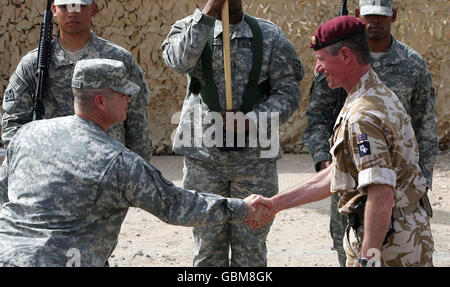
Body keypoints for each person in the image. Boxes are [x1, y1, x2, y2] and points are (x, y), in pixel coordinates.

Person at [0, 59, 274, 267]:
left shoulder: (28, 133)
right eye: (123, 94)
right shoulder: (116, 161)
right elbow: (176, 205)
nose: (129, 99)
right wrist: (241, 208)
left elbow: (3, 192)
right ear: (100, 101)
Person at [252, 16, 434, 267]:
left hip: (391, 248)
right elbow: (340, 173)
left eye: (321, 59)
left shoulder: (363, 116)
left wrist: (368, 259)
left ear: (346, 56)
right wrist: (275, 204)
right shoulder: (373, 94)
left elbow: (380, 194)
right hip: (397, 237)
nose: (317, 68)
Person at [161, 0, 304, 266]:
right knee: (207, 249)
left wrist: (251, 120)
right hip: (204, 160)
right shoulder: (187, 29)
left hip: (255, 162)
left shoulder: (268, 35)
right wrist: (206, 16)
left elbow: (289, 92)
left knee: (251, 248)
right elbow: (179, 61)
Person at [302, 0, 438, 266]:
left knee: (372, 255)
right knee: (351, 250)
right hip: (349, 184)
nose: (375, 22)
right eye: (369, 17)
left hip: (395, 196)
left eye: (381, 17)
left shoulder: (412, 64)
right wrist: (326, 162)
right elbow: (317, 119)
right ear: (357, 16)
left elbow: (425, 129)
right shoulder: (331, 64)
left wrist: (418, 184)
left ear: (393, 17)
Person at [1, 0, 152, 162]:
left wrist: (137, 170)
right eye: (65, 6)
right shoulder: (34, 63)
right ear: (54, 10)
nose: (72, 12)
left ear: (94, 9)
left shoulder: (118, 59)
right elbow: (13, 122)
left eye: (80, 6)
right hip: (52, 167)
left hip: (107, 167)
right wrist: (29, 163)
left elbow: (137, 122)